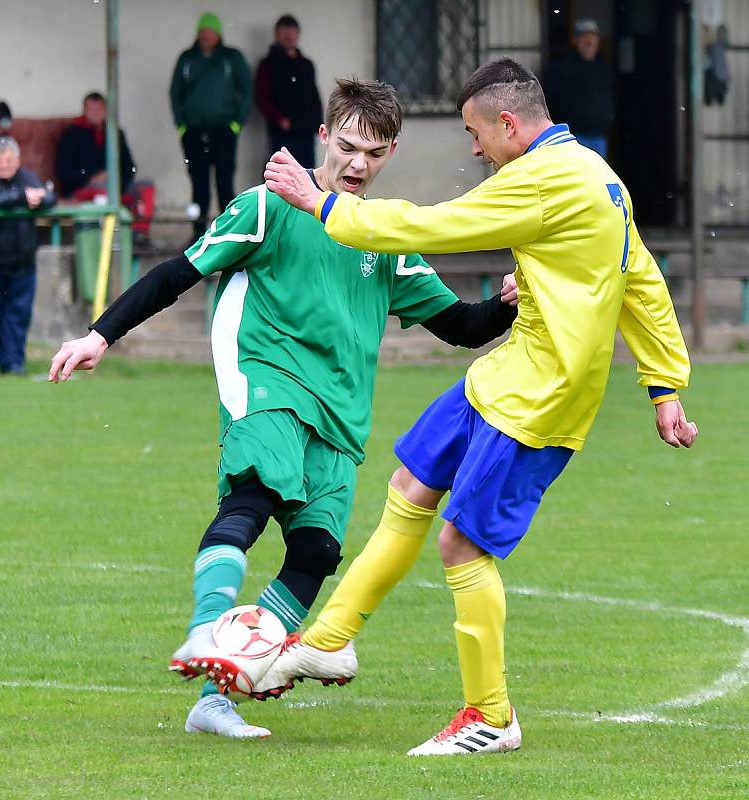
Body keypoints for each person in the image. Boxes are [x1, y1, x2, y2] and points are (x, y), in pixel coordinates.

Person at [49, 78, 518, 740]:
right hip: (266, 381)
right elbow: (178, 273)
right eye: (349, 147)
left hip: (339, 413)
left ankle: (215, 698)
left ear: (389, 154)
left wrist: (504, 303)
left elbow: (461, 328)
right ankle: (204, 628)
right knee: (255, 495)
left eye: (375, 154)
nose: (358, 165)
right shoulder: (267, 208)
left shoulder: (382, 236)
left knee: (315, 550)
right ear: (323, 137)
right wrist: (100, 335)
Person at [261, 58, 698, 756]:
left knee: (460, 542)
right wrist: (663, 384)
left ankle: (490, 715)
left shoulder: (543, 177)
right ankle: (327, 643)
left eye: (474, 132)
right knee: (409, 485)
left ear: (507, 124)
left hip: (541, 399)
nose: (472, 148)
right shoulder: (595, 174)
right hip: (503, 374)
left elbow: (433, 226)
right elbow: (639, 276)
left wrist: (321, 206)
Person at [0, 137, 55, 376]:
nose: (5, 165)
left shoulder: (27, 178)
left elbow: (49, 198)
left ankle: (14, 362)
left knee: (18, 315)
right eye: (0, 160)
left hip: (22, 263)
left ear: (17, 160)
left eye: (10, 160)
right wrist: (23, 199)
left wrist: (38, 199)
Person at [170, 12, 253, 239]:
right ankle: (198, 232)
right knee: (199, 184)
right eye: (203, 32)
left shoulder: (231, 58)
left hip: (224, 130)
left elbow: (247, 91)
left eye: (211, 32)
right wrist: (182, 125)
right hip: (194, 131)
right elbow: (175, 93)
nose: (206, 36)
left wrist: (236, 123)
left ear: (218, 34)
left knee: (225, 182)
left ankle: (230, 233)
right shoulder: (187, 59)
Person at [55, 92, 155, 243]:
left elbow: (129, 167)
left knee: (146, 187)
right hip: (84, 188)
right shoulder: (71, 134)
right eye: (91, 109)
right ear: (84, 111)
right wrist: (90, 177)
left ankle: (139, 233)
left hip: (116, 187)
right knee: (101, 190)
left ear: (106, 111)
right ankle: (108, 239)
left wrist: (116, 179)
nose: (95, 113)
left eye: (99, 109)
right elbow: (64, 172)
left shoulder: (116, 133)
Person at [255, 14, 323, 168]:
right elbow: (262, 98)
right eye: (284, 32)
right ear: (277, 34)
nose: (289, 36)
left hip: (306, 130)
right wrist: (281, 121)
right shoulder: (268, 64)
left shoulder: (306, 64)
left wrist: (317, 122)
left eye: (292, 32)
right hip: (281, 133)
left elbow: (313, 95)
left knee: (307, 174)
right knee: (280, 174)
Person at [545, 18, 613, 159]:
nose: (588, 40)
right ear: (575, 41)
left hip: (599, 137)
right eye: (583, 36)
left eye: (592, 35)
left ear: (598, 40)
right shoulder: (562, 67)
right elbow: (550, 99)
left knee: (598, 179)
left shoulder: (603, 67)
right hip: (573, 139)